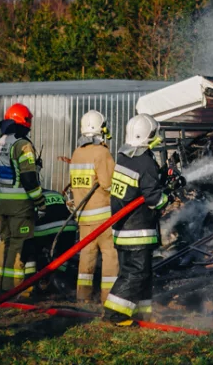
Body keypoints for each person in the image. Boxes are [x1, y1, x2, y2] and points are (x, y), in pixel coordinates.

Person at [103, 114, 169, 326]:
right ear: (148, 135)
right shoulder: (145, 162)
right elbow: (153, 199)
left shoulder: (125, 157)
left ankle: (141, 312)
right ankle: (115, 314)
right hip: (138, 230)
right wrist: (167, 197)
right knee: (136, 273)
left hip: (123, 228)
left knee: (140, 272)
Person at [0, 103, 45, 293]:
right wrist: (40, 202)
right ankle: (13, 290)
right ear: (22, 122)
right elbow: (29, 179)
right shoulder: (23, 145)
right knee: (19, 243)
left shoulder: (1, 143)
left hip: (3, 201)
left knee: (5, 242)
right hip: (20, 205)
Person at [70, 110, 118, 303]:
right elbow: (109, 184)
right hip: (103, 217)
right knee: (110, 255)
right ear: (101, 129)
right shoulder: (102, 152)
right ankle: (109, 298)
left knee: (87, 256)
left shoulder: (76, 153)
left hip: (84, 216)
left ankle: (83, 296)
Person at [29, 188, 78, 297]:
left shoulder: (31, 195)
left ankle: (41, 278)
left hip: (44, 229)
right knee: (63, 255)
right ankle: (58, 279)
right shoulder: (55, 193)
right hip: (68, 226)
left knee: (35, 251)